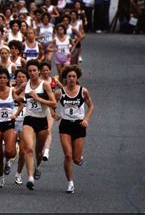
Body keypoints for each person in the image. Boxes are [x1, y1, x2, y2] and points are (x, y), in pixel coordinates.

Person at [15, 59, 57, 190]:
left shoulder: (45, 85)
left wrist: (37, 98)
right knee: (28, 148)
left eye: (34, 70)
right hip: (29, 119)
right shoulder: (25, 85)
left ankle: (37, 166)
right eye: (30, 71)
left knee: (38, 152)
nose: (32, 73)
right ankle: (30, 178)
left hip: (42, 120)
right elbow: (15, 93)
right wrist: (20, 100)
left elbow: (54, 103)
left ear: (38, 71)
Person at [53, 65, 94, 193]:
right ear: (65, 78)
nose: (71, 79)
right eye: (69, 76)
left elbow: (91, 106)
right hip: (65, 125)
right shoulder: (60, 92)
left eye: (74, 77)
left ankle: (79, 159)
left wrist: (86, 119)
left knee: (76, 159)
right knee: (68, 155)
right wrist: (53, 114)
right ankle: (70, 182)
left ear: (77, 78)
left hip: (79, 125)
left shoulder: (83, 91)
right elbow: (51, 104)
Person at [0, 68, 22, 188]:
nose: (2, 80)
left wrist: (15, 114)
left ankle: (9, 161)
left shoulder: (12, 91)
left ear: (8, 79)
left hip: (9, 123)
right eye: (0, 78)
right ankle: (1, 176)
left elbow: (21, 104)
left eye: (4, 78)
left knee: (9, 151)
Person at [40, 61, 63, 161]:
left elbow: (63, 90)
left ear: (50, 70)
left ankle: (46, 151)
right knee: (40, 132)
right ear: (40, 71)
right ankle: (39, 149)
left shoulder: (54, 80)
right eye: (43, 70)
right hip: (39, 107)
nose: (45, 72)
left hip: (51, 108)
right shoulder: (38, 81)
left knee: (48, 130)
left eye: (47, 70)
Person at [13, 68, 28, 185]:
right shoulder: (9, 90)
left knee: (23, 151)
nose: (21, 79)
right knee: (10, 151)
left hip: (25, 122)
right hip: (11, 122)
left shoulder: (30, 91)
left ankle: (18, 173)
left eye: (23, 77)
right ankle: (8, 162)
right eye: (19, 77)